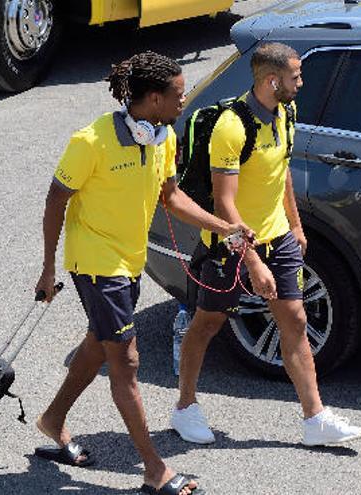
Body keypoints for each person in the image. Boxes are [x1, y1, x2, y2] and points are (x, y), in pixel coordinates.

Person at [34, 51, 250, 495]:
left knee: (98, 345)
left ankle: (52, 420)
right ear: (153, 98)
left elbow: (171, 198)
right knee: (126, 360)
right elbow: (56, 200)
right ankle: (155, 469)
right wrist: (47, 267)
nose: (184, 100)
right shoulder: (90, 141)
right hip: (95, 262)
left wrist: (223, 226)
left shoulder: (162, 137)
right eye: (178, 93)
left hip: (128, 261)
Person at [171, 43, 361, 446]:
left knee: (294, 319)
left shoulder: (286, 112)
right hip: (230, 243)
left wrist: (295, 226)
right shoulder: (232, 127)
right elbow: (225, 203)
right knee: (208, 323)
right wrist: (253, 261)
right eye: (296, 76)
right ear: (271, 80)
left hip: (277, 236)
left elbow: (282, 173)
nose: (302, 82)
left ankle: (315, 420)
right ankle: (185, 408)